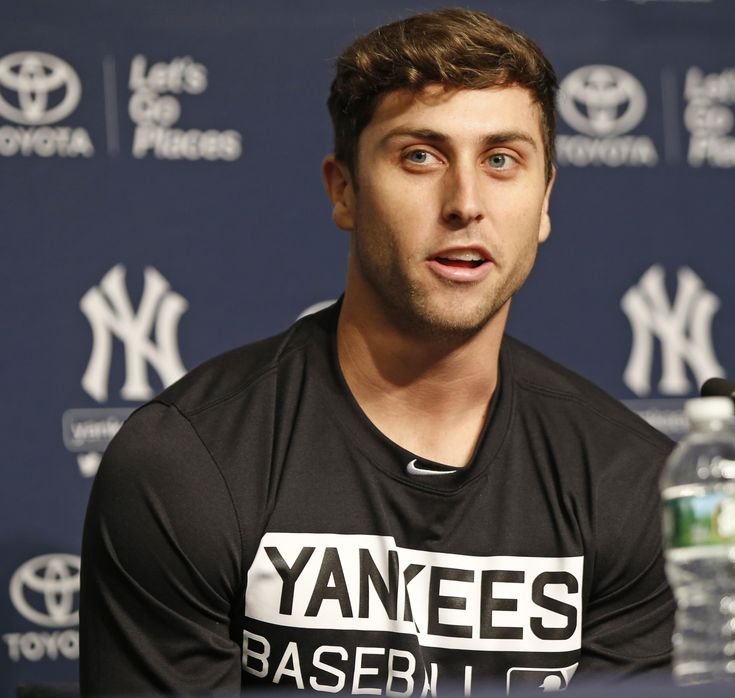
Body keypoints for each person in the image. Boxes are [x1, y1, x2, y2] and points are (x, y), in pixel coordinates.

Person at [80, 8, 674, 695]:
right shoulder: (188, 460)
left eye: (501, 160)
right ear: (344, 191)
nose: (465, 203)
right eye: (420, 155)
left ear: (544, 201)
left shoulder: (630, 484)